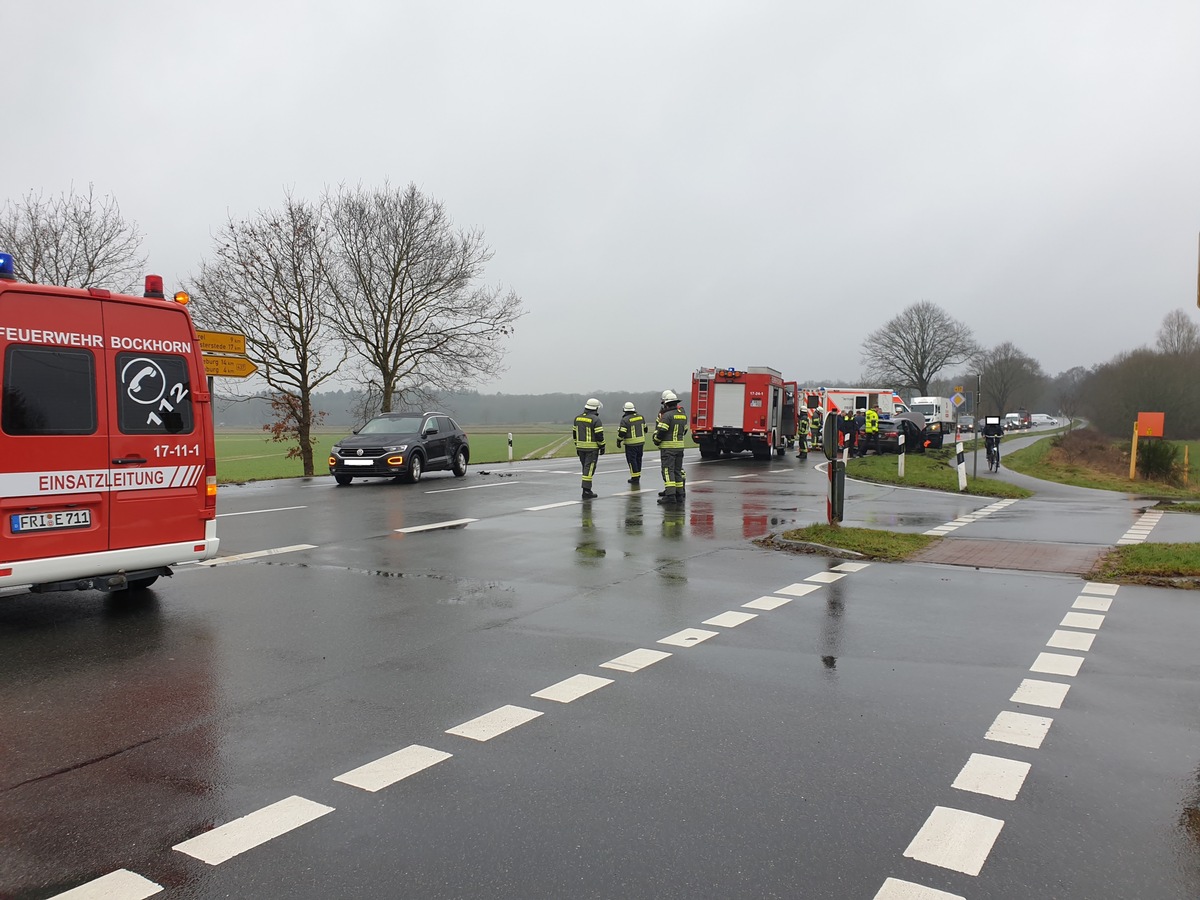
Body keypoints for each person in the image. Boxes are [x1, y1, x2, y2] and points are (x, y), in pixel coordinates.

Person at [654, 389, 688, 504]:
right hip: (679, 447)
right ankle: (679, 494)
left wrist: (656, 440)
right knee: (677, 471)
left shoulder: (667, 415)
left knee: (668, 471)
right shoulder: (682, 415)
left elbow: (662, 430)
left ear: (667, 403)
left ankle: (670, 495)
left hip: (668, 448)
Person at [573, 398, 605, 498]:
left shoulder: (577, 418)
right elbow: (599, 435)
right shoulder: (596, 420)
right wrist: (602, 445)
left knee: (585, 468)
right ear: (595, 408)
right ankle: (586, 491)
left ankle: (587, 489)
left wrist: (577, 445)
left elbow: (575, 433)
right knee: (589, 469)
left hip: (580, 448)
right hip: (591, 448)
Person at [616, 401, 646, 488]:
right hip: (641, 442)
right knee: (638, 459)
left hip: (631, 444)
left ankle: (635, 477)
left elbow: (622, 432)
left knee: (631, 460)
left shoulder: (625, 420)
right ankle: (637, 475)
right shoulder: (641, 417)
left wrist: (618, 441)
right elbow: (645, 429)